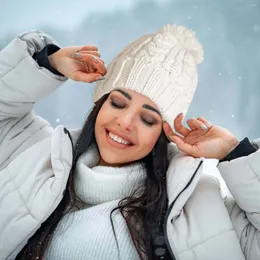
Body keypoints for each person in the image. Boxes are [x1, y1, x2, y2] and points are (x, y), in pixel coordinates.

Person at [0, 25, 259, 260]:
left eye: (147, 119)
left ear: (162, 134)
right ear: (100, 103)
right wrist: (47, 62)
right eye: (118, 103)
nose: (125, 122)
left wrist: (236, 152)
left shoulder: (200, 204)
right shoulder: (36, 156)